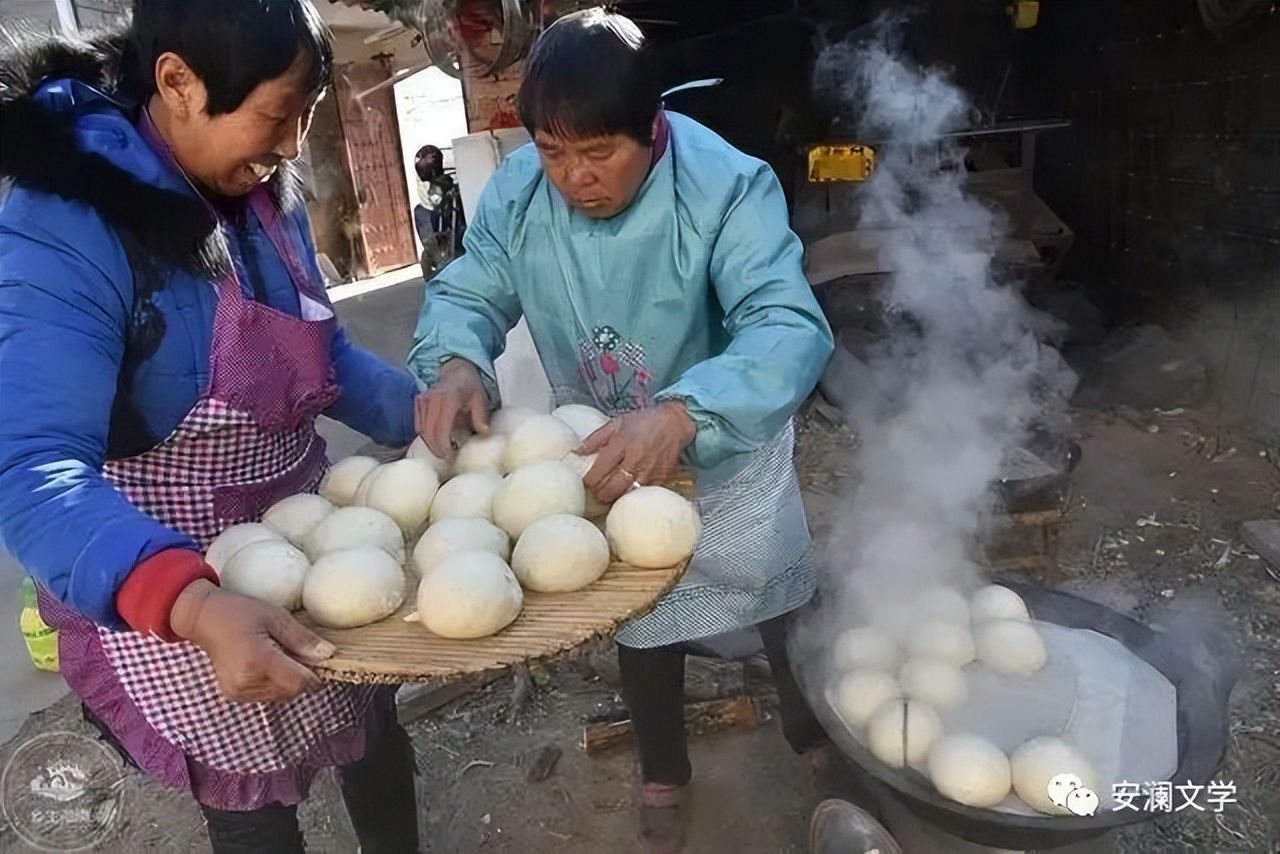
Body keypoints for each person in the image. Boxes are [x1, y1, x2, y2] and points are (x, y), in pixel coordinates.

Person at [408, 9, 837, 852]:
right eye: (554, 151)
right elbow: (470, 289)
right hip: (610, 447)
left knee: (777, 592)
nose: (574, 177)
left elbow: (786, 325)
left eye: (598, 152)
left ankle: (815, 736)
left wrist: (685, 414)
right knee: (639, 608)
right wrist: (457, 358)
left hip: (726, 433)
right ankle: (664, 771)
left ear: (654, 126)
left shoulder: (726, 187)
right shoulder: (520, 190)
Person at [0, 2, 423, 852]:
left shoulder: (261, 194)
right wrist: (187, 601)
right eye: (275, 115)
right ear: (178, 84)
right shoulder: (69, 225)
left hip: (313, 542)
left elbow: (320, 354)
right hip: (168, 576)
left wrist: (424, 412)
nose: (294, 144)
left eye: (306, 115)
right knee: (253, 810)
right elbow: (31, 466)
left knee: (373, 737)